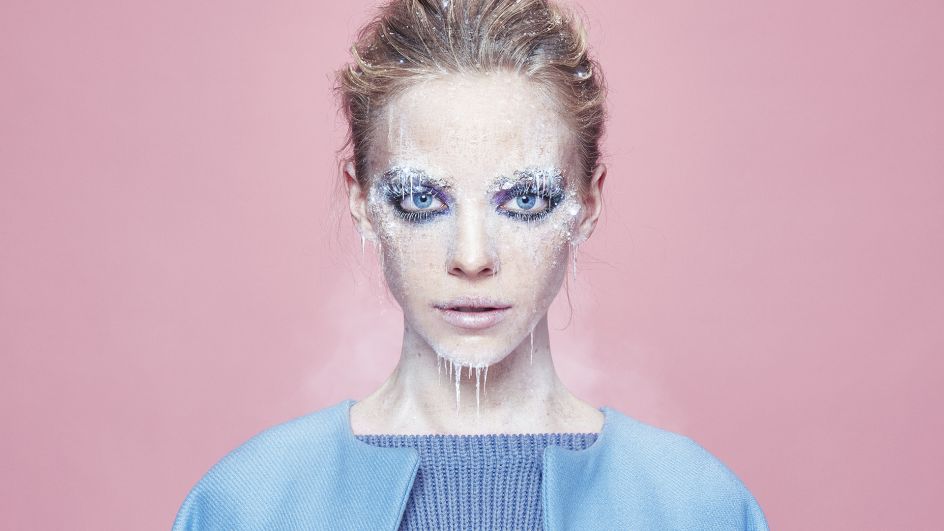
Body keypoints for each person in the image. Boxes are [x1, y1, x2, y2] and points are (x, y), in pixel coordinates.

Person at [172, 0, 769, 529]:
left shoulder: (696, 509)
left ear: (588, 204)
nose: (472, 257)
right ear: (361, 201)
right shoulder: (248, 506)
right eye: (421, 199)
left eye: (526, 200)